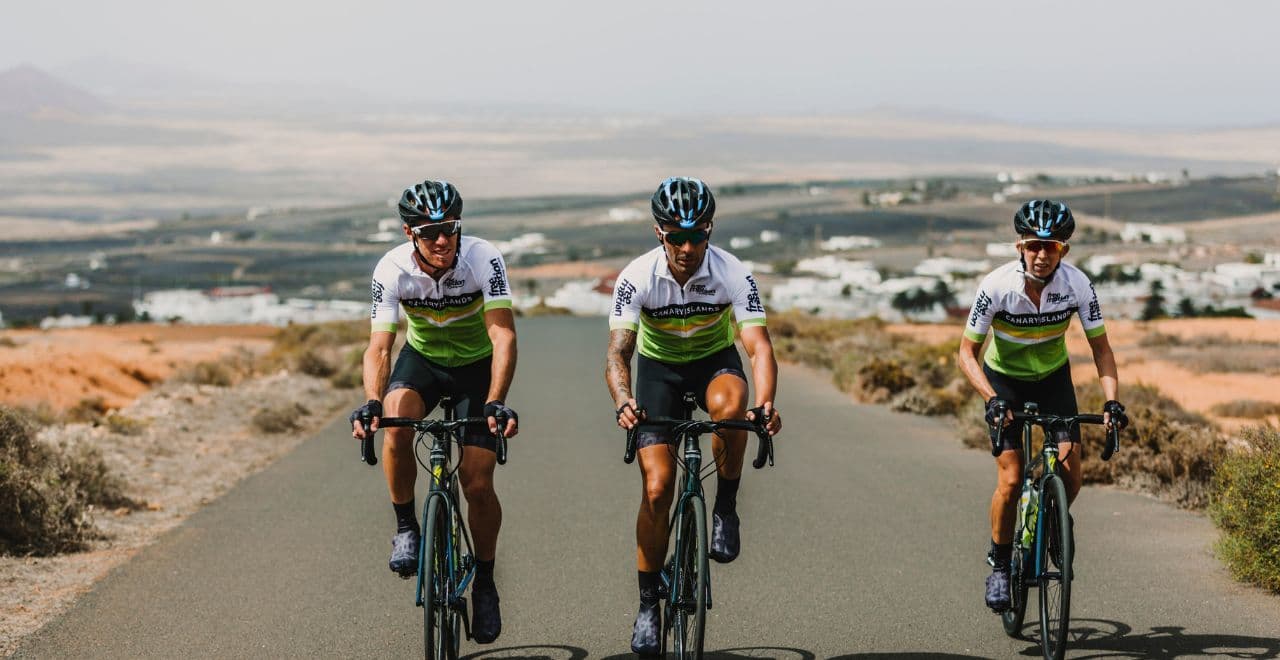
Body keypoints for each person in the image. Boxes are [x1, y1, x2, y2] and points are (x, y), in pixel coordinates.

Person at [605, 176, 783, 654]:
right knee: (657, 487)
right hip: (658, 372)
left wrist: (765, 403)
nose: (687, 247)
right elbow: (619, 352)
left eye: (697, 235)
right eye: (676, 236)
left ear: (710, 231)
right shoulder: (637, 277)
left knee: (733, 410)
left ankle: (725, 507)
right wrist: (623, 400)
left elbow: (758, 347)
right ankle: (648, 604)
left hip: (713, 364)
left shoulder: (733, 272)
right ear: (659, 233)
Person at [349, 179, 519, 644]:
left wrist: (496, 398)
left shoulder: (483, 258)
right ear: (410, 233)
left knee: (477, 483)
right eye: (430, 232)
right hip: (422, 361)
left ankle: (485, 582)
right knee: (395, 419)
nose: (443, 240)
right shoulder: (392, 268)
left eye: (450, 229)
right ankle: (406, 527)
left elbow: (503, 335)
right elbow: (380, 347)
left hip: (476, 368)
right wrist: (371, 401)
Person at [957, 199, 1129, 613]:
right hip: (1004, 382)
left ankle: (1053, 516)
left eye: (1051, 247)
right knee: (1012, 479)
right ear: (1020, 246)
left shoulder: (1077, 285)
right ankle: (1000, 565)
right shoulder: (996, 286)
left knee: (1072, 476)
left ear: (1063, 250)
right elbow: (966, 353)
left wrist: (1111, 402)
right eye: (1033, 245)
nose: (1041, 255)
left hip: (1053, 379)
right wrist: (991, 399)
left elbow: (1102, 349)